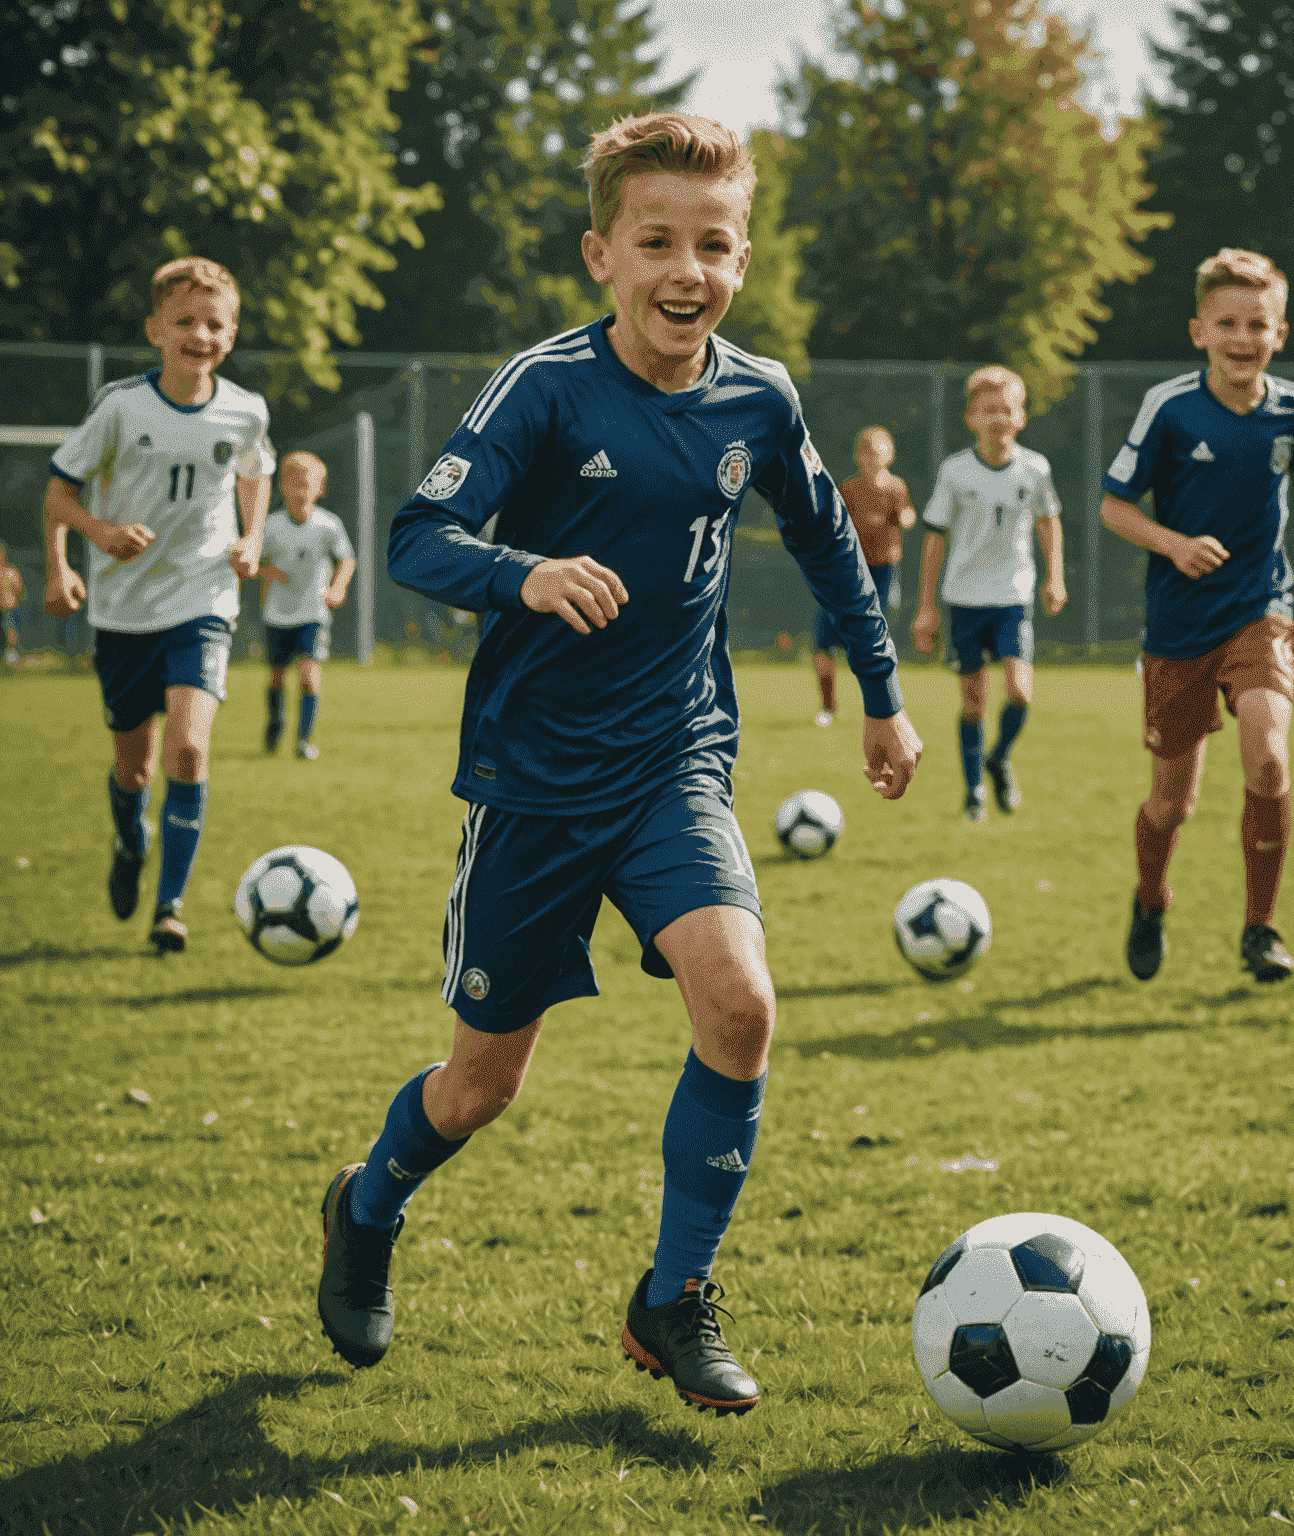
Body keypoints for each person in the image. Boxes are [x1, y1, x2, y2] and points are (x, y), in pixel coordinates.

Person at [314, 112, 923, 1415]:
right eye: (657, 241)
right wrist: (524, 574)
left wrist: (881, 696)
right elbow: (419, 532)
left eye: (713, 243)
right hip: (533, 786)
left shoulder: (760, 398)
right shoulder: (544, 386)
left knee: (742, 1007)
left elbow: (826, 546)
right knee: (481, 1086)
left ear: (742, 258)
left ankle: (672, 1300)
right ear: (603, 252)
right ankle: (365, 1207)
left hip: (672, 767)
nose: (685, 269)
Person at [1100, 249, 1294, 984]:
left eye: (1258, 323)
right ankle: (1151, 898)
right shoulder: (1170, 407)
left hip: (1260, 610)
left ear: (1280, 332)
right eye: (1227, 322)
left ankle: (1260, 929)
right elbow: (1113, 505)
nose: (1243, 336)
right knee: (1171, 803)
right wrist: (1174, 544)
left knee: (1267, 752)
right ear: (1200, 331)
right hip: (1178, 629)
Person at [42, 256, 274, 953]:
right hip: (122, 611)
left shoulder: (246, 409)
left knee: (188, 751)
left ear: (230, 336)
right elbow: (57, 495)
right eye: (185, 322)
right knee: (134, 770)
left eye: (214, 324)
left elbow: (256, 472)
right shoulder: (120, 408)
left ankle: (169, 907)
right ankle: (128, 839)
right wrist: (88, 543)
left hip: (202, 597)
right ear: (155, 330)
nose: (199, 335)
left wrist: (251, 537)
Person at [910, 366, 1066, 820]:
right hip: (964, 600)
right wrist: (926, 608)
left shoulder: (1035, 468)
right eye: (988, 410)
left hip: (1013, 597)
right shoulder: (955, 471)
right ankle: (974, 789)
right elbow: (935, 536)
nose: (998, 418)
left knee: (1020, 691)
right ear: (971, 418)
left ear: (1021, 416)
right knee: (973, 701)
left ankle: (998, 758)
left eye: (1006, 409)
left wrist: (1055, 576)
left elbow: (1048, 520)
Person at [812, 425, 914, 725]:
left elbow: (905, 515)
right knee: (823, 646)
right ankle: (828, 707)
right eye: (866, 451)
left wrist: (906, 518)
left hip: (882, 573)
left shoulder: (896, 488)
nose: (872, 457)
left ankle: (884, 708)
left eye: (878, 451)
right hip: (847, 573)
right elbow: (836, 525)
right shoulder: (850, 489)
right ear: (858, 457)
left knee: (873, 642)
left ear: (890, 455)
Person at [258, 450, 356, 759]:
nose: (300, 489)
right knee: (276, 676)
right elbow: (249, 562)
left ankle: (303, 741)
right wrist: (265, 571)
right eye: (294, 483)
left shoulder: (328, 525)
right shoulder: (270, 526)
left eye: (307, 483)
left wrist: (337, 588)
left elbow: (347, 560)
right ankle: (276, 723)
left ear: (320, 488)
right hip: (277, 612)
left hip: (312, 611)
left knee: (308, 674)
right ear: (283, 486)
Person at [1, 542, 23, 668]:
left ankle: (11, 658)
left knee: (10, 633)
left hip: (9, 609)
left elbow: (18, 588)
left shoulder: (11, 572)